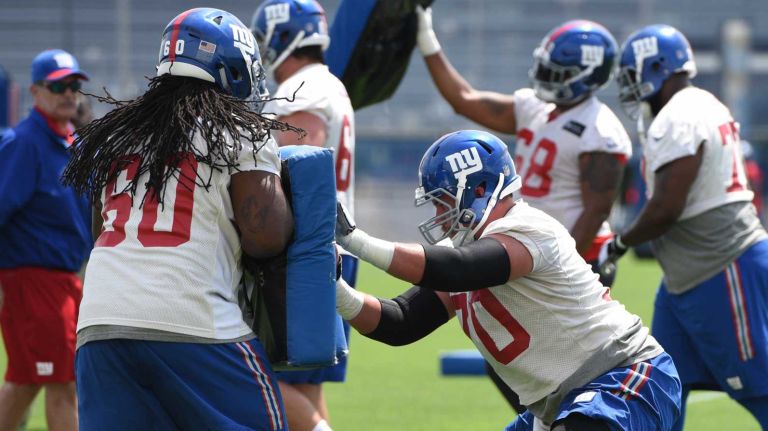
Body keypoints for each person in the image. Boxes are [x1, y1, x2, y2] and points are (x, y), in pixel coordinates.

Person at [334, 130, 681, 430]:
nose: (439, 217)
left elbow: (460, 269)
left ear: (479, 188)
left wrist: (353, 240)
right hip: (560, 404)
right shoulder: (461, 250)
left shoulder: (527, 228)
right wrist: (334, 289)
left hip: (622, 375)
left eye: (443, 203)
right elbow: (401, 321)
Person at [61, 8, 295, 430]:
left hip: (101, 322)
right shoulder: (239, 129)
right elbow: (266, 238)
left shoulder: (116, 133)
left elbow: (102, 230)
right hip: (194, 319)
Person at [603, 24, 768, 431]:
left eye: (633, 75)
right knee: (662, 388)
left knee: (759, 388)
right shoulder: (695, 105)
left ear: (657, 67)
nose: (631, 86)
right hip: (684, 279)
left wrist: (618, 243)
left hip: (723, 267)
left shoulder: (679, 115)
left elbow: (665, 209)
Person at [414, 9, 631, 285]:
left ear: (586, 76)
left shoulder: (600, 130)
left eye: (556, 72)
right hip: (529, 244)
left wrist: (561, 264)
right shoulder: (533, 107)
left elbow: (596, 211)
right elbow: (463, 99)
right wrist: (425, 37)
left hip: (574, 256)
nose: (545, 77)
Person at [251, 2, 356, 430]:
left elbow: (299, 163)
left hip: (302, 255)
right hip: (323, 249)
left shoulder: (303, 88)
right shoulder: (326, 84)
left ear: (282, 38)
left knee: (252, 374)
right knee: (306, 388)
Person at [0, 48, 91, 431]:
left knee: (28, 381)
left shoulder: (72, 143)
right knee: (62, 381)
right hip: (33, 280)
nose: (68, 93)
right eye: (58, 87)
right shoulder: (24, 143)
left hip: (63, 280)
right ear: (36, 92)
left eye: (73, 85)